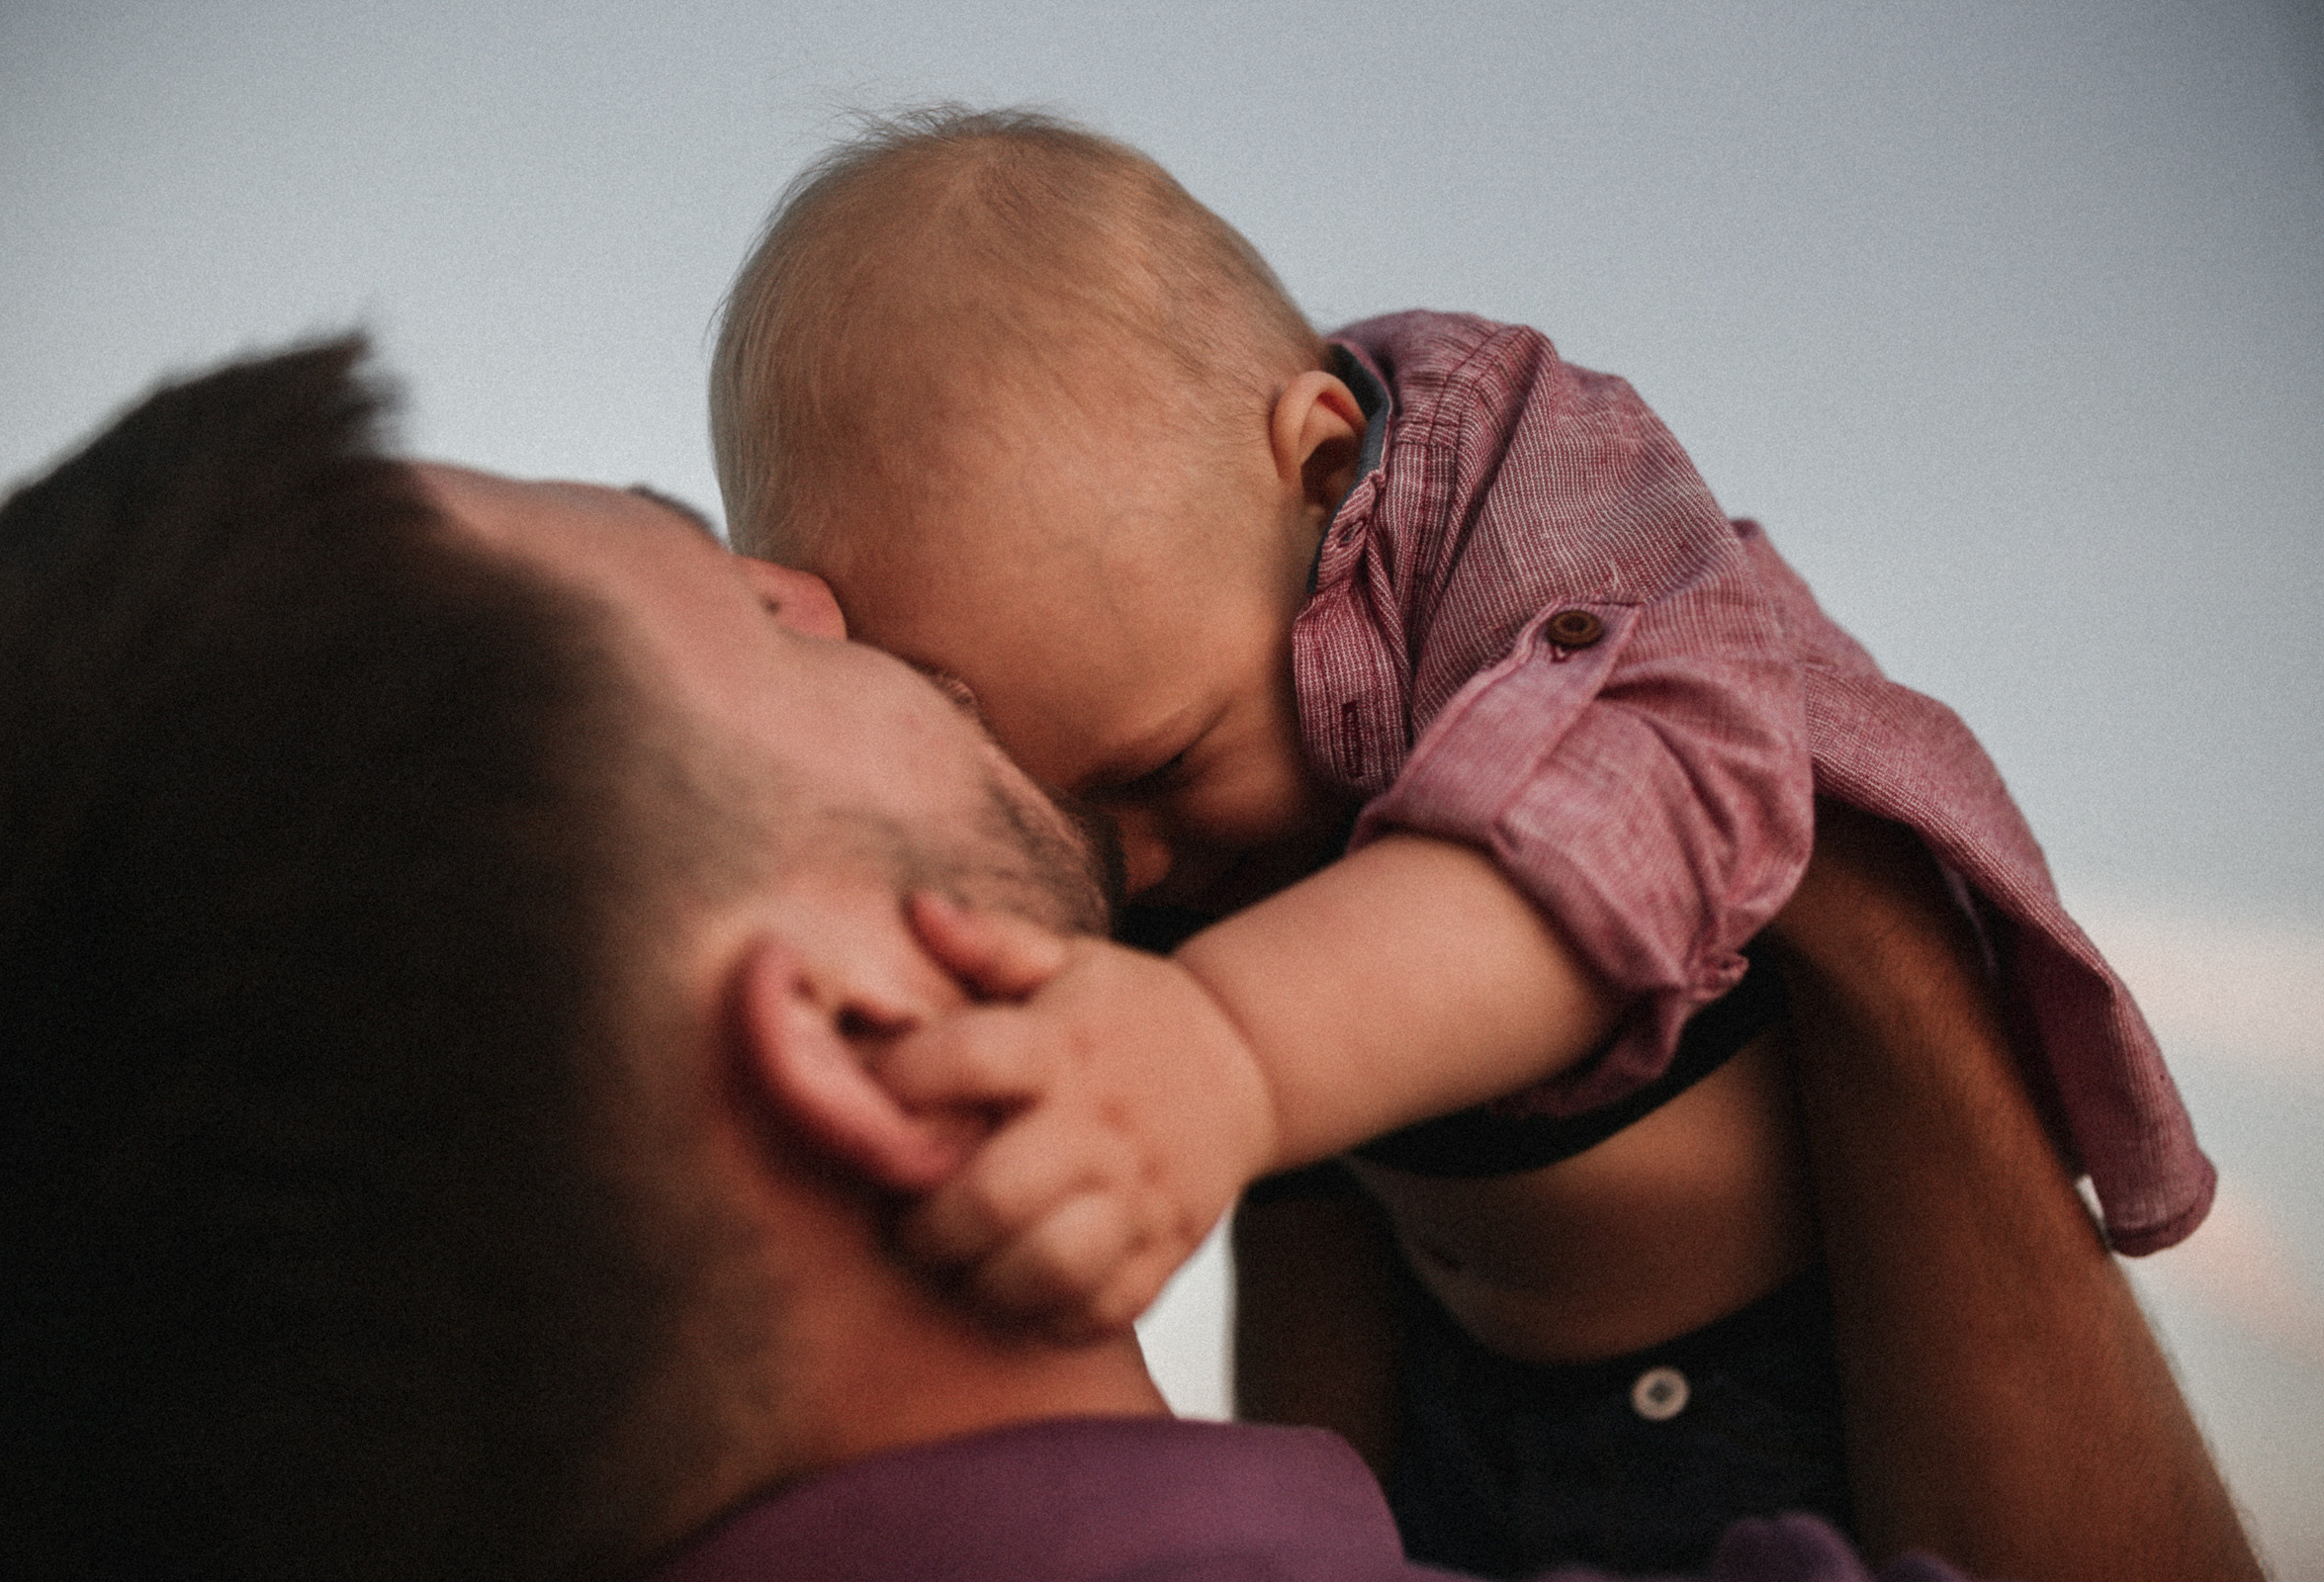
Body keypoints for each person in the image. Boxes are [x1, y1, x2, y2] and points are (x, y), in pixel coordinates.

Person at [704, 109, 2215, 1572]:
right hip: (1466, 1409)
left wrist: (1225, 1050)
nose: (1140, 866)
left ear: (1316, 466)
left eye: (1162, 766)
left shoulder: (1515, 500)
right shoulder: (1195, 704)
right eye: (1066, 814)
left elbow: (1633, 799)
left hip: (1778, 1394)